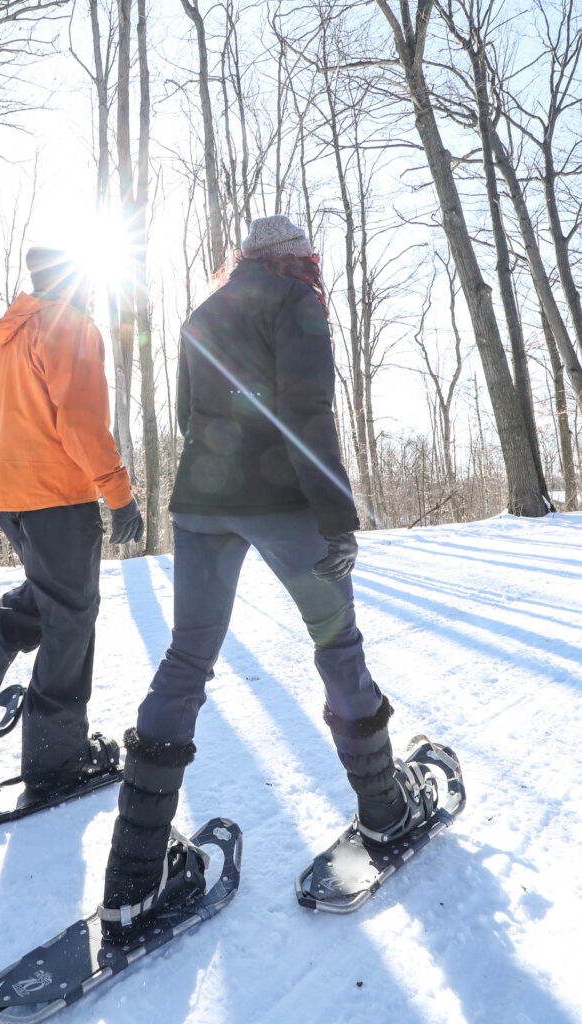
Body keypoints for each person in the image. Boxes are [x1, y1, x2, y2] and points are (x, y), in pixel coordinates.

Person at [97, 215, 432, 937]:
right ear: (295, 258)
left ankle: (133, 876)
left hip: (199, 506)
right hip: (284, 503)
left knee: (186, 661)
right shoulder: (297, 301)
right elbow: (308, 409)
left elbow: (189, 418)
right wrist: (336, 516)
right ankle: (385, 808)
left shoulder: (201, 311)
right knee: (335, 647)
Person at [0, 246, 144, 793]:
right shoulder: (69, 326)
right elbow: (80, 422)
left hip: (11, 491)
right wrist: (118, 492)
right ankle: (58, 761)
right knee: (71, 617)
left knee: (52, 595)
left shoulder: (17, 330)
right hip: (55, 495)